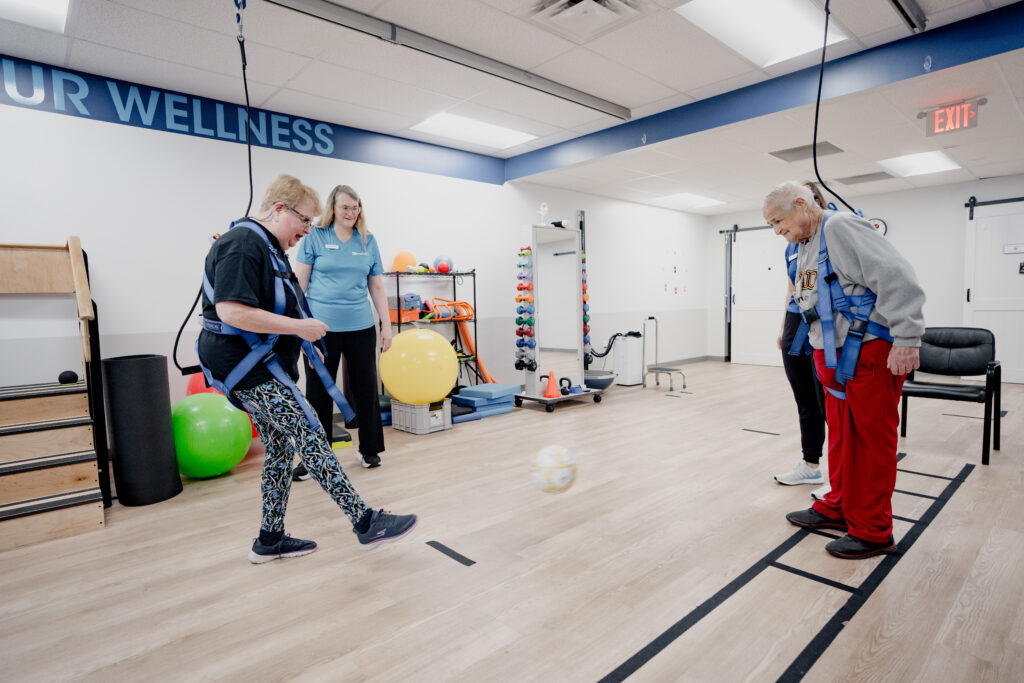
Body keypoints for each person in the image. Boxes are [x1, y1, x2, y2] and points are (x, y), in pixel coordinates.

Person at [197, 174, 416, 564]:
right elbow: (231, 310)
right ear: (280, 209)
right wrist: (301, 328)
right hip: (246, 367)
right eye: (305, 220)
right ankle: (365, 522)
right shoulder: (243, 243)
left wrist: (301, 332)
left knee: (280, 446)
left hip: (256, 364)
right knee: (310, 430)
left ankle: (270, 538)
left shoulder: (267, 248)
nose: (306, 230)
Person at [763, 180, 925, 559]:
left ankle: (873, 530)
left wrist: (907, 338)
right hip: (833, 360)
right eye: (771, 225)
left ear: (802, 205)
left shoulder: (840, 227)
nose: (777, 231)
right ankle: (838, 503)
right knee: (840, 437)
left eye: (779, 221)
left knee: (870, 442)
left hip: (869, 352)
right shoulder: (801, 245)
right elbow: (811, 298)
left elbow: (898, 276)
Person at [294, 184, 391, 473]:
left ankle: (369, 450)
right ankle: (316, 460)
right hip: (320, 329)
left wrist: (385, 325)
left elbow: (376, 285)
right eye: (345, 206)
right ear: (333, 209)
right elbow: (300, 283)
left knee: (366, 389)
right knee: (318, 392)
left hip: (361, 326)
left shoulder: (367, 240)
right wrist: (300, 326)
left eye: (355, 206)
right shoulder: (315, 237)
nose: (351, 212)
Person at [773, 182, 828, 501]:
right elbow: (792, 286)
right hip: (797, 322)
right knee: (805, 399)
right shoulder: (791, 246)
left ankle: (840, 475)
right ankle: (811, 465)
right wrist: (784, 325)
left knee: (829, 402)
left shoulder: (832, 234)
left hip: (825, 321)